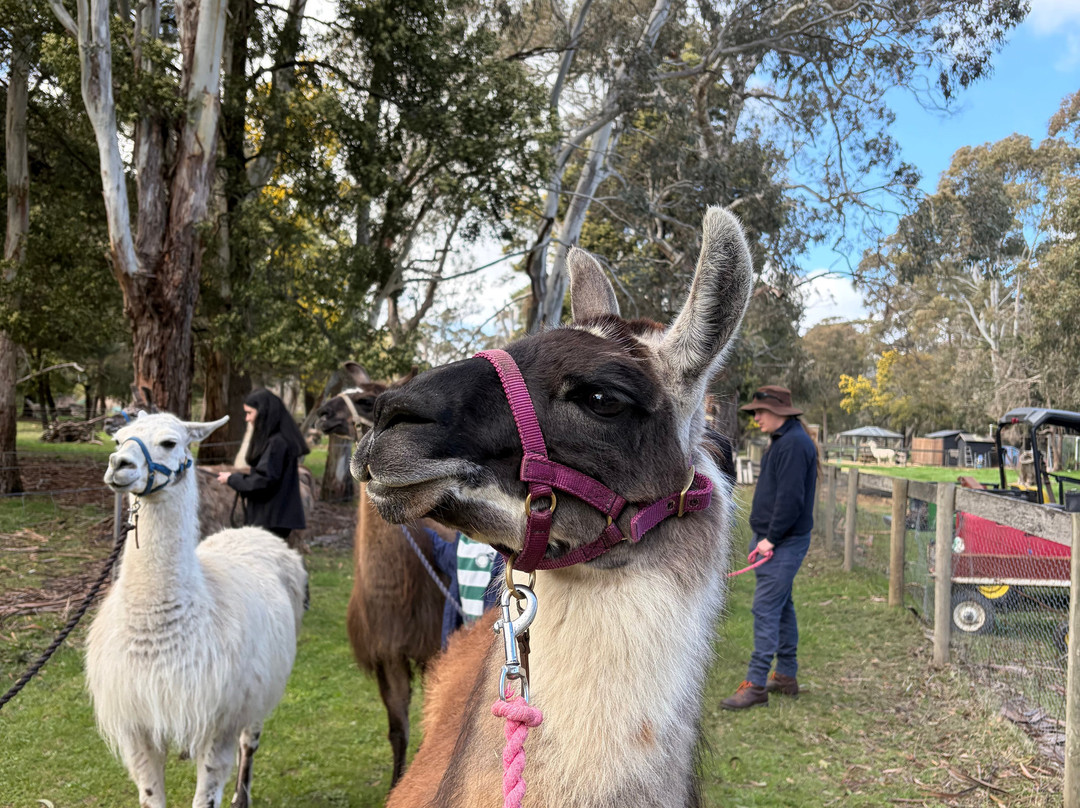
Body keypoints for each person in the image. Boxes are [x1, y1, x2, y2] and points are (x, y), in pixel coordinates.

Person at [722, 385, 817, 710]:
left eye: (760, 412)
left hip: (781, 543)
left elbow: (791, 500)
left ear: (779, 412)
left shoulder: (793, 444)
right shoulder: (785, 440)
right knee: (781, 606)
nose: (756, 418)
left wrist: (771, 539)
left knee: (765, 609)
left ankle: (756, 684)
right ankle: (786, 675)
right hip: (776, 540)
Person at [216, 389, 309, 544]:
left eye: (250, 413)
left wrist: (233, 479)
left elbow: (264, 481)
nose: (247, 418)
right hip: (274, 517)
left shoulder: (277, 443)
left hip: (271, 519)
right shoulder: (278, 441)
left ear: (264, 412)